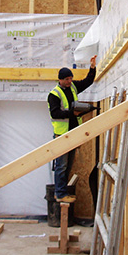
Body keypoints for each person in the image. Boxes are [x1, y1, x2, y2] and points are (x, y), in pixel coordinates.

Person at [48, 56, 97, 203]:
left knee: (68, 165)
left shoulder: (73, 87)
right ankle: (60, 193)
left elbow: (88, 81)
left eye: (71, 78)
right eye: (67, 79)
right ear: (61, 80)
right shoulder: (54, 94)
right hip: (62, 134)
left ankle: (62, 192)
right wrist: (72, 113)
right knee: (61, 165)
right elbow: (55, 113)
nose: (70, 81)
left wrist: (92, 67)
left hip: (73, 133)